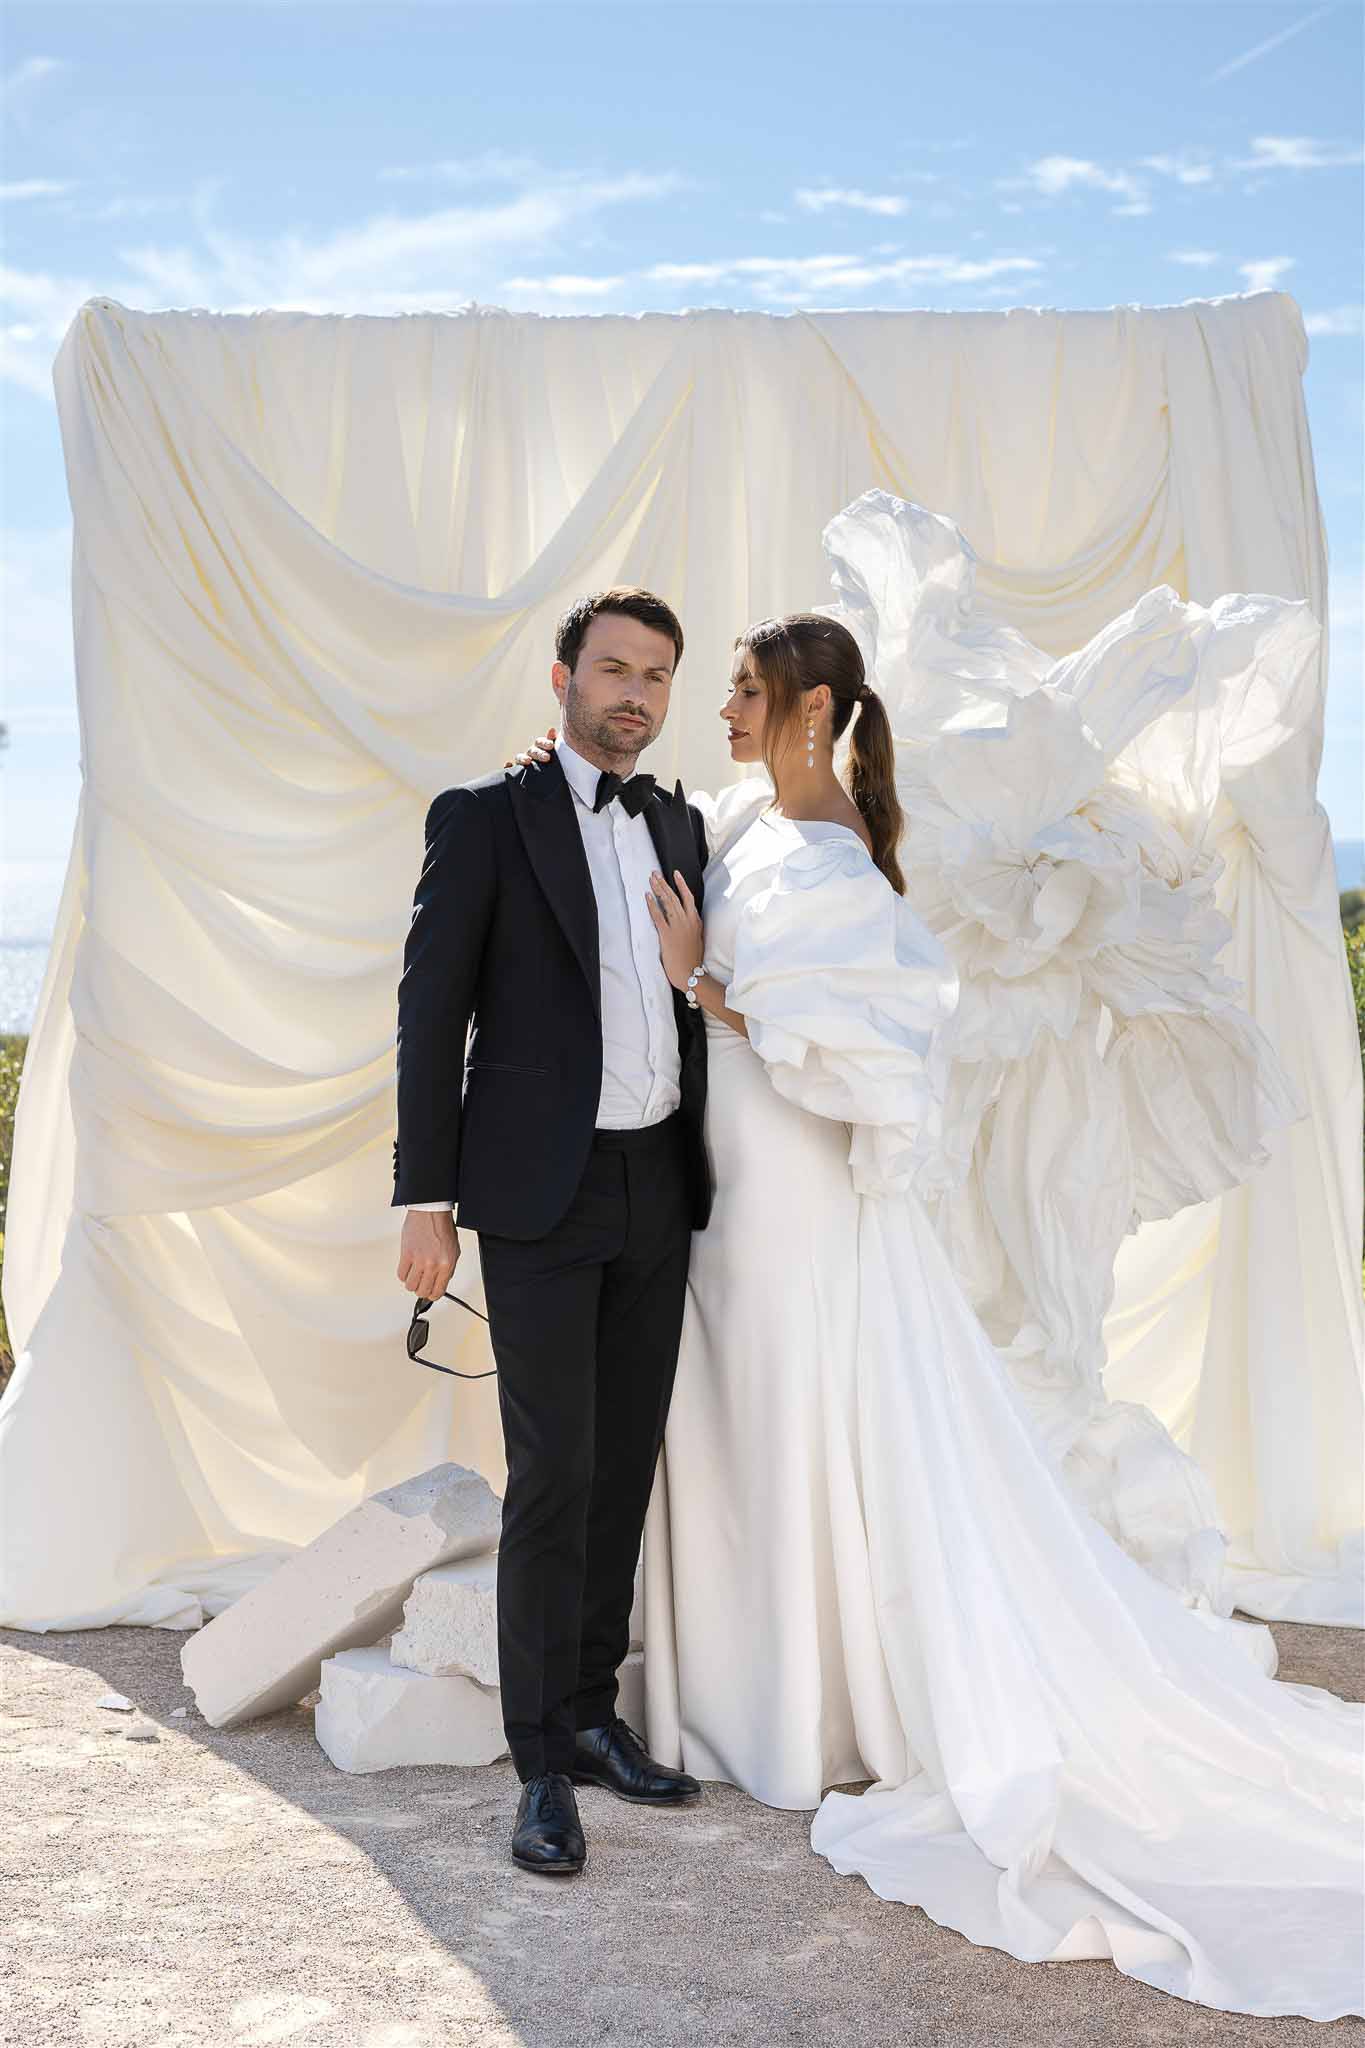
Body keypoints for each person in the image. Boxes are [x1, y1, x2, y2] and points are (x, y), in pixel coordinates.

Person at [514, 601, 1362, 2020]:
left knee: (789, 1421)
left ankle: (796, 1711)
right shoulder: (752, 828)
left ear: (808, 710)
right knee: (735, 1430)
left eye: (741, 692)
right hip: (722, 1191)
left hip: (796, 1193)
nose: (719, 712)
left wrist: (702, 985)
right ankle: (735, 1691)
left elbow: (869, 1062)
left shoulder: (833, 853)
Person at [392, 587, 709, 1877]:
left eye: (657, 674)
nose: (635, 693)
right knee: (555, 1471)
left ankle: (589, 1716)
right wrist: (425, 1200)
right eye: (614, 668)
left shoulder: (678, 821)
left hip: (659, 1183)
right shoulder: (484, 817)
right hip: (538, 1192)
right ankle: (537, 1768)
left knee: (624, 1466)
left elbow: (688, 1000)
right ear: (565, 677)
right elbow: (431, 1015)